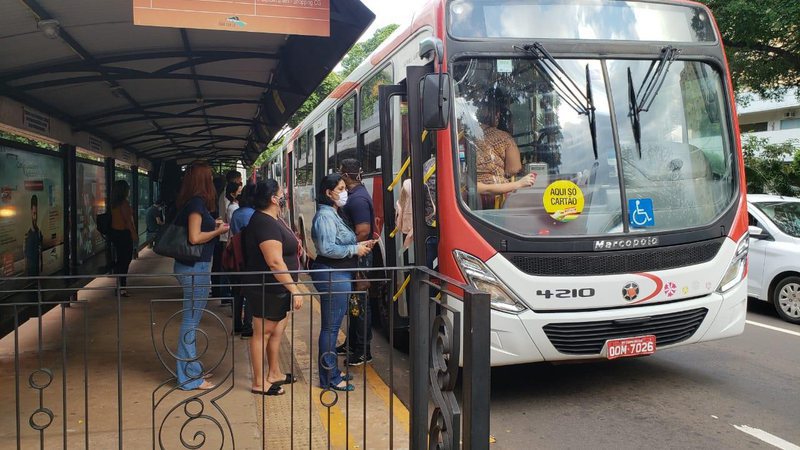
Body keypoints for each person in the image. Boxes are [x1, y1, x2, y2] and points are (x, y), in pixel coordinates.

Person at [311, 174, 372, 391]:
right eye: (340, 188)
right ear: (329, 193)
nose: (344, 192)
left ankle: (332, 373)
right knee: (331, 328)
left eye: (345, 187)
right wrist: (355, 249)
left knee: (333, 327)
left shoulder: (333, 213)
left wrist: (361, 245)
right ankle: (329, 378)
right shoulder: (325, 216)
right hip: (332, 275)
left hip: (338, 274)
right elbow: (327, 249)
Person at [242, 180, 303, 396]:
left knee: (276, 332)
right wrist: (295, 289)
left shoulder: (272, 219)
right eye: (281, 193)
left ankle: (274, 373)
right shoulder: (264, 223)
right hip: (266, 287)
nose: (284, 195)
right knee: (263, 333)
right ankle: (259, 382)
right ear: (273, 198)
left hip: (278, 287)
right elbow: (275, 262)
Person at [172, 161, 229, 391]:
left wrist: (212, 223)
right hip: (195, 268)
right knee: (191, 322)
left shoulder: (192, 202)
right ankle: (188, 377)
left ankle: (192, 368)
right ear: (204, 179)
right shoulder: (196, 203)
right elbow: (195, 238)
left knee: (192, 320)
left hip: (192, 267)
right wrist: (218, 231)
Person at [337, 158, 376, 366]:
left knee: (360, 303)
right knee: (354, 303)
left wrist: (345, 248)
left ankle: (363, 350)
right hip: (355, 255)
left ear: (345, 175)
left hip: (359, 257)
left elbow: (363, 231)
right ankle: (352, 343)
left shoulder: (358, 199)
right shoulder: (352, 196)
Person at [473, 94, 536, 208]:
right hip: (495, 195)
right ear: (497, 115)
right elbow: (514, 169)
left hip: (468, 195)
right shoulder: (504, 137)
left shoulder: (466, 135)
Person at [230, 183, 257, 338]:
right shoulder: (252, 214)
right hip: (249, 259)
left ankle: (236, 326)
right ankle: (247, 327)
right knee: (250, 293)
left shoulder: (237, 213)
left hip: (236, 257)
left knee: (237, 293)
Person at [212, 170, 243, 302]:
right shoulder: (229, 201)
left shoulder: (224, 196)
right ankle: (224, 294)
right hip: (226, 236)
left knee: (224, 265)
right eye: (239, 181)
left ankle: (222, 292)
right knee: (226, 266)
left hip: (225, 235)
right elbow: (228, 219)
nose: (240, 184)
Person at [109, 180, 138, 296]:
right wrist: (134, 235)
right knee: (125, 261)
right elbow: (128, 221)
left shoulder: (113, 203)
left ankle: (120, 286)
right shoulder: (124, 203)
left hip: (115, 234)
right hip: (124, 234)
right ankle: (122, 288)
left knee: (121, 260)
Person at [24, 194, 43, 276]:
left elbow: (40, 250)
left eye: (36, 214)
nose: (35, 217)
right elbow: (25, 253)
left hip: (37, 269)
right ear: (30, 213)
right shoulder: (27, 234)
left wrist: (41, 263)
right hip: (30, 269)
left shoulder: (38, 232)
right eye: (34, 214)